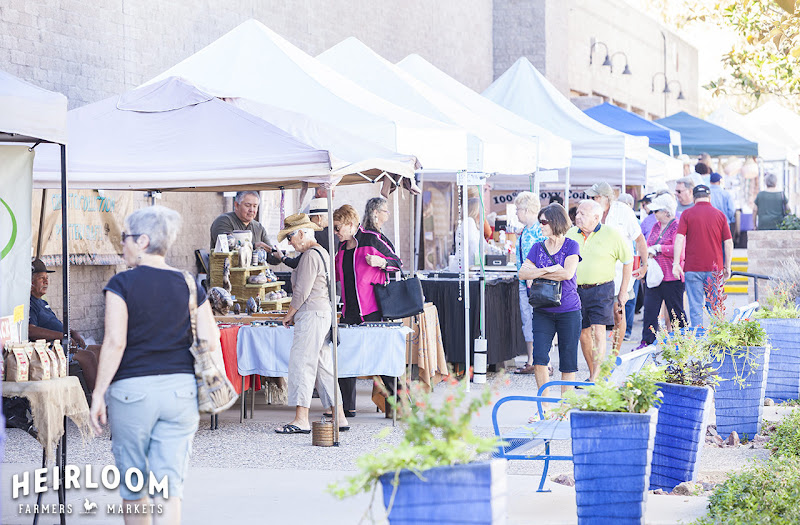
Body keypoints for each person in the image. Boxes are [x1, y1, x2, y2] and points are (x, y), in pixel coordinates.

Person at [90, 205, 218, 524]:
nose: (123, 245)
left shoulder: (121, 284)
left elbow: (115, 342)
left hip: (132, 393)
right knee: (169, 488)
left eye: (126, 239)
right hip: (181, 393)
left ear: (143, 240)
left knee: (134, 486)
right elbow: (211, 338)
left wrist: (98, 393)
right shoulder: (190, 284)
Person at [274, 214, 349, 434]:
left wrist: (289, 314)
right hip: (322, 312)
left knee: (302, 363)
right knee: (323, 367)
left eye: (290, 237)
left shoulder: (309, 255)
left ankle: (301, 419)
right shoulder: (322, 252)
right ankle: (340, 416)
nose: (289, 242)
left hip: (311, 314)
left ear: (301, 233)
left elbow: (301, 291)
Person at [332, 204, 402, 417]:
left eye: (337, 228)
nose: (335, 233)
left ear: (351, 224)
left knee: (380, 358)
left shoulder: (371, 239)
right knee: (344, 357)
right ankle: (347, 408)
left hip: (372, 309)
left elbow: (397, 263)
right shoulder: (342, 248)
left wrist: (382, 262)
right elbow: (336, 274)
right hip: (349, 309)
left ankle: (400, 404)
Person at [518, 204, 581, 398]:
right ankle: (544, 405)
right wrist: (550, 270)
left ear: (556, 222)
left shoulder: (572, 245)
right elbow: (522, 273)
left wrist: (537, 273)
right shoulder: (538, 247)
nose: (541, 225)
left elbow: (567, 273)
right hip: (543, 310)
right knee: (539, 359)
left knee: (568, 361)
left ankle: (564, 406)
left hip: (568, 310)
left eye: (544, 222)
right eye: (540, 221)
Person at [566, 200, 632, 381]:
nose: (577, 217)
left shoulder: (612, 234)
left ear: (597, 217)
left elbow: (628, 260)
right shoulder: (571, 233)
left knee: (599, 331)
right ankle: (593, 372)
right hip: (576, 290)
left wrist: (623, 291)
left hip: (602, 288)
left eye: (582, 214)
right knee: (583, 333)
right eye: (577, 213)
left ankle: (596, 377)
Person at [585, 182, 647, 349]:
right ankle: (597, 358)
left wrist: (644, 264)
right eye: (591, 197)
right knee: (593, 318)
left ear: (606, 197)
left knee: (618, 313)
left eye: (596, 196)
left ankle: (614, 355)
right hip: (595, 274)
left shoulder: (623, 211)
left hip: (620, 274)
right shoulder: (590, 211)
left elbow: (639, 239)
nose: (593, 199)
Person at [29, 258, 100, 392]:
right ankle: (96, 401)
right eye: (41, 278)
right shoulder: (30, 303)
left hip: (66, 341)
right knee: (89, 356)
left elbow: (55, 325)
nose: (46, 282)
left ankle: (108, 393)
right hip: (51, 348)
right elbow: (30, 330)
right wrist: (63, 336)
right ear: (30, 282)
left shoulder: (42, 302)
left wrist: (73, 333)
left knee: (102, 350)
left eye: (47, 278)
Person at [673, 185, 733, 327]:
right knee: (715, 308)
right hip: (714, 269)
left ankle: (698, 342)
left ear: (694, 198)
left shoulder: (686, 214)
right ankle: (717, 340)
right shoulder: (720, 215)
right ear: (709, 197)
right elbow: (728, 242)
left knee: (695, 307)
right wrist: (727, 266)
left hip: (692, 268)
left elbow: (680, 239)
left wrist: (676, 263)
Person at [639, 194, 685, 346]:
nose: (654, 214)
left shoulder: (678, 226)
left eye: (656, 211)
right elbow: (648, 243)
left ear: (667, 212)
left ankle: (682, 342)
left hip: (672, 277)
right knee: (650, 311)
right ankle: (647, 341)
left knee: (676, 312)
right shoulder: (656, 226)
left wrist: (659, 248)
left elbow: (680, 250)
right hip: (655, 276)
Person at [512, 191, 545, 374]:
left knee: (540, 321)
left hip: (537, 284)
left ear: (526, 209)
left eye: (518, 209)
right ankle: (532, 360)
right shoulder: (525, 230)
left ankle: (543, 360)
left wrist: (535, 275)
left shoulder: (540, 230)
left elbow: (548, 255)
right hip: (525, 283)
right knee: (528, 320)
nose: (516, 213)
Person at [209, 190, 284, 264]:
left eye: (255, 206)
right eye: (248, 205)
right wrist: (253, 246)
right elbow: (227, 248)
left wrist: (280, 256)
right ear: (236, 205)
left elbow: (269, 256)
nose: (252, 210)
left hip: (255, 275)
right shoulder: (223, 221)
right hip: (227, 274)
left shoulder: (259, 227)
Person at [450, 198, 501, 271]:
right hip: (464, 268)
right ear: (476, 210)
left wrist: (496, 251)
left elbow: (485, 246)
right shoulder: (469, 222)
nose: (485, 212)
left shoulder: (474, 225)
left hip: (469, 267)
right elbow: (473, 244)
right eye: (483, 209)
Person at [282, 198, 331, 268]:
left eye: (310, 219)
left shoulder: (317, 235)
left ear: (318, 218)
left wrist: (283, 258)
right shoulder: (335, 233)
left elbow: (297, 262)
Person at [709, 172, 736, 237]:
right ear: (719, 182)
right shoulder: (726, 194)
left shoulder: (707, 194)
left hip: (710, 224)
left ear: (710, 181)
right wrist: (729, 219)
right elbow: (731, 210)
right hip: (724, 223)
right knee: (725, 245)